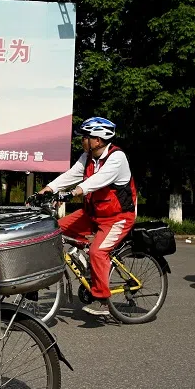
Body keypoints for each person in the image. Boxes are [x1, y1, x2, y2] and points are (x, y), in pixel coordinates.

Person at [36, 116, 136, 316]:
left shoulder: (117, 157)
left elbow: (99, 180)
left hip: (118, 217)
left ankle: (103, 300)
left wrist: (73, 193)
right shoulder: (87, 157)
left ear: (97, 140)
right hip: (93, 213)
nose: (81, 140)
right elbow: (71, 175)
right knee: (55, 228)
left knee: (97, 252)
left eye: (85, 137)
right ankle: (89, 269)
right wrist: (48, 189)